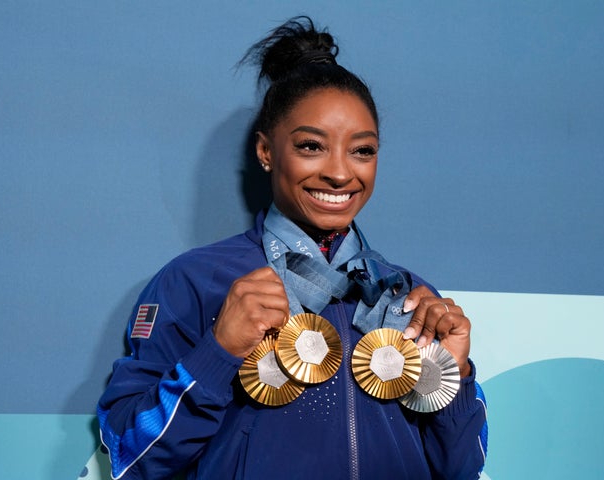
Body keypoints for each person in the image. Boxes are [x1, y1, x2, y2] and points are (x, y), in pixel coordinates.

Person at [98, 16, 487, 480]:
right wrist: (218, 351)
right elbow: (129, 454)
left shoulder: (409, 296)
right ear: (266, 152)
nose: (341, 174)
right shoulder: (196, 281)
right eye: (311, 146)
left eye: (362, 150)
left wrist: (455, 374)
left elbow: (462, 469)